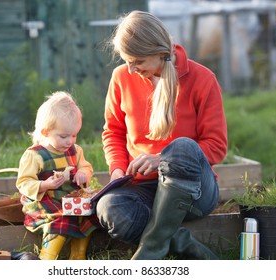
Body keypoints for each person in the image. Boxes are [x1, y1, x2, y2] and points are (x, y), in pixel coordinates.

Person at [96, 11, 228, 260]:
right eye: (127, 61)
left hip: (193, 191)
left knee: (183, 148)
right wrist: (117, 170)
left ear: (158, 52)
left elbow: (217, 146)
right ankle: (180, 241)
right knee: (109, 208)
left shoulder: (203, 79)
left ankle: (150, 250)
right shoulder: (121, 78)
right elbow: (113, 131)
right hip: (143, 188)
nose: (131, 69)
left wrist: (162, 160)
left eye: (137, 61)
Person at [16, 91, 99, 260]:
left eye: (74, 135)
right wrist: (45, 185)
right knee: (61, 219)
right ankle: (47, 257)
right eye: (64, 136)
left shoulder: (75, 151)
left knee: (89, 216)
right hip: (45, 202)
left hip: (69, 200)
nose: (70, 141)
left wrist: (83, 173)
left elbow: (86, 167)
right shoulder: (35, 155)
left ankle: (77, 256)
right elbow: (23, 182)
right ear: (46, 132)